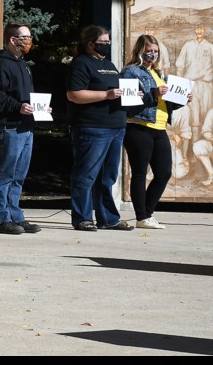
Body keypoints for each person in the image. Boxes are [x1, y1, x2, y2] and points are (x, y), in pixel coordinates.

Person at [66, 25, 135, 231]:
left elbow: (116, 91)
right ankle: (82, 218)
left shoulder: (109, 65)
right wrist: (106, 95)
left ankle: (108, 218)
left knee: (108, 176)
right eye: (103, 42)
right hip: (92, 128)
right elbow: (74, 94)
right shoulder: (81, 64)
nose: (107, 45)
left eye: (108, 42)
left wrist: (132, 96)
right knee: (86, 175)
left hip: (115, 127)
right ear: (90, 44)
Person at [121, 34, 191, 228]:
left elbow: (165, 104)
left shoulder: (160, 74)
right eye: (149, 51)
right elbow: (127, 102)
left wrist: (182, 99)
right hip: (139, 127)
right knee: (140, 173)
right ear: (140, 51)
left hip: (159, 127)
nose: (153, 54)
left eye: (156, 51)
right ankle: (142, 217)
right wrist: (152, 94)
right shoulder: (131, 72)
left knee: (164, 172)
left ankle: (147, 213)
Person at [0, 23, 43, 235]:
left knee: (19, 175)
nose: (28, 41)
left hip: (26, 127)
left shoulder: (22, 63)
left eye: (29, 36)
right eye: (24, 37)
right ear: (12, 40)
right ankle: (1, 219)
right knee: (5, 174)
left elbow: (24, 95)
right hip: (8, 127)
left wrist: (39, 107)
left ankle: (15, 216)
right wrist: (18, 106)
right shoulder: (1, 64)